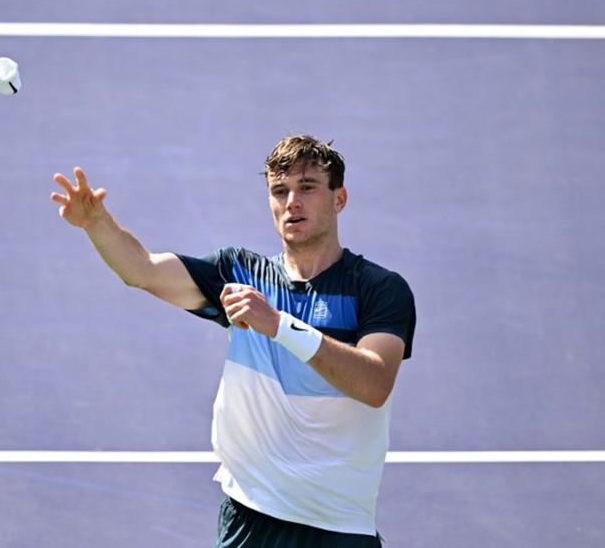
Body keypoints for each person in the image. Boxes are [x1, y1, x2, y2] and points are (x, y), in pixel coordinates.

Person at [50, 135, 416, 547]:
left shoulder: (380, 288)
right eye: (280, 191)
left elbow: (374, 383)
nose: (291, 201)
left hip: (339, 527)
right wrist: (96, 224)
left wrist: (278, 324)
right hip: (249, 517)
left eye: (307, 187)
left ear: (339, 198)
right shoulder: (239, 272)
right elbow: (142, 270)